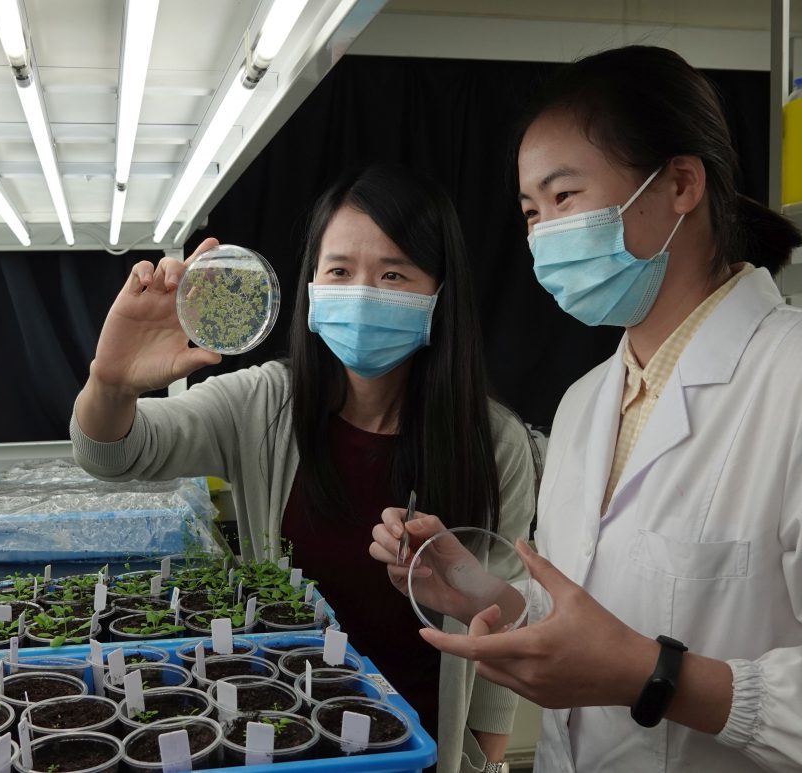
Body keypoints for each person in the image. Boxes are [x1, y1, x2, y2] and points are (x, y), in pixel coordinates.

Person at [370, 46, 802, 771]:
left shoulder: (788, 379)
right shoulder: (585, 404)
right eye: (531, 212)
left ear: (681, 183)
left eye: (564, 198)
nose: (543, 237)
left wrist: (655, 676)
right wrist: (484, 592)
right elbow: (591, 622)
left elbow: (628, 656)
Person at [70, 163, 538, 773]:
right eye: (340, 271)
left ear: (439, 293)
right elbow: (115, 453)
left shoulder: (493, 440)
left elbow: (500, 622)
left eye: (393, 273)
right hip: (286, 734)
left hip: (420, 745)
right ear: (313, 287)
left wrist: (484, 760)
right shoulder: (264, 403)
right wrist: (111, 380)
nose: (363, 291)